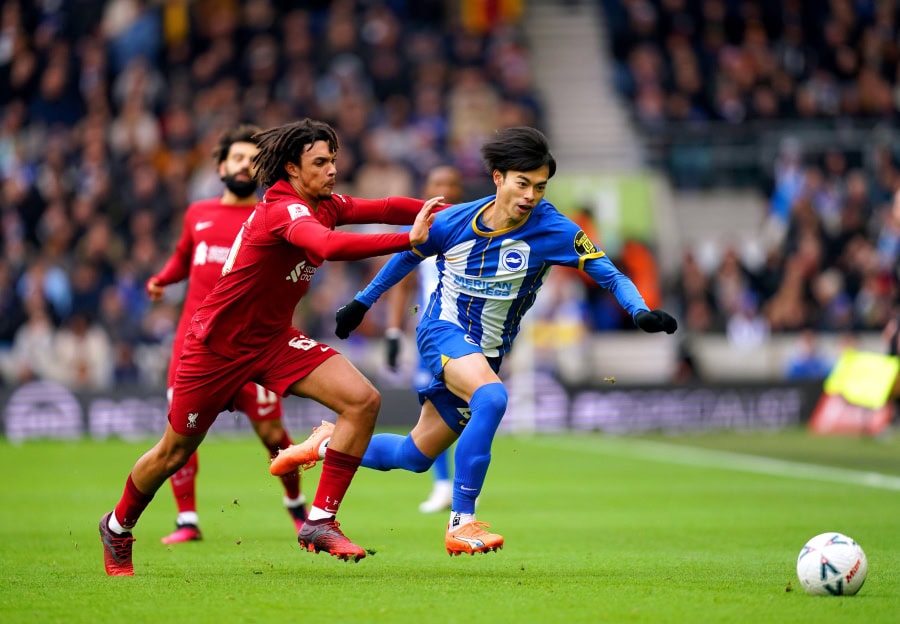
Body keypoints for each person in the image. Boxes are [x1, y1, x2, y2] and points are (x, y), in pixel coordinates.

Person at [271, 126, 678, 556]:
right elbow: (407, 256)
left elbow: (609, 273)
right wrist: (360, 302)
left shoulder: (554, 230)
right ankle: (462, 523)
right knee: (493, 399)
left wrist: (640, 310)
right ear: (498, 178)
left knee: (413, 455)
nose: (530, 196)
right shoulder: (453, 221)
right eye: (523, 184)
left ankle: (324, 442)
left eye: (540, 187)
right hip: (442, 331)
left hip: (487, 352)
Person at [99, 118, 441, 576]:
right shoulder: (283, 210)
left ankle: (319, 521)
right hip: (216, 348)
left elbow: (384, 205)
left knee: (362, 400)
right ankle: (118, 526)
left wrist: (464, 213)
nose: (332, 169)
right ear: (292, 169)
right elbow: (330, 246)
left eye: (334, 160)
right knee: (173, 453)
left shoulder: (324, 202)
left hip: (274, 341)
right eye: (320, 162)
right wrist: (412, 242)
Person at [145, 125, 308, 544]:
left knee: (273, 434)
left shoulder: (270, 217)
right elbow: (184, 258)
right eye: (236, 157)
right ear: (220, 166)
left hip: (252, 346)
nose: (243, 165)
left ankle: (297, 510)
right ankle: (187, 521)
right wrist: (162, 278)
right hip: (194, 346)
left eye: (253, 160)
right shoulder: (197, 214)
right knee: (179, 437)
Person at [384, 165, 465, 513]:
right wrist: (392, 331)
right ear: (426, 189)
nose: (444, 189)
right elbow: (400, 283)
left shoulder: (476, 225)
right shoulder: (416, 230)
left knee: (469, 410)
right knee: (436, 409)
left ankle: (458, 486)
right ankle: (444, 484)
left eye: (451, 183)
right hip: (433, 333)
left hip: (473, 332)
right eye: (437, 184)